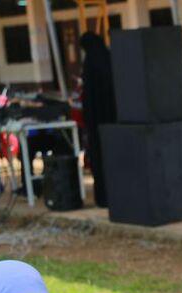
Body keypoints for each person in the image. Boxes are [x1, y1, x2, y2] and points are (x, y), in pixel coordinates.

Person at [80, 32, 117, 207]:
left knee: (99, 158)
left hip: (96, 122)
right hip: (113, 119)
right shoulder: (108, 58)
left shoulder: (89, 63)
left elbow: (88, 97)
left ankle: (103, 198)